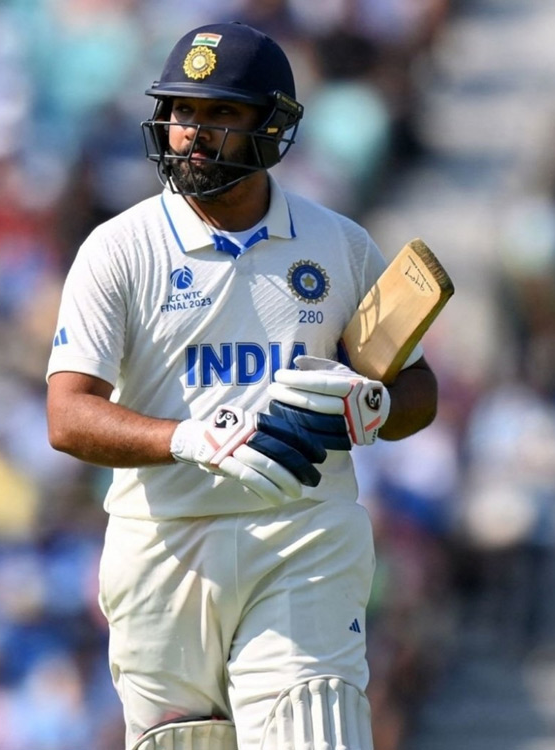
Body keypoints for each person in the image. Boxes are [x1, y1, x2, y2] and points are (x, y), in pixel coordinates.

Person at [45, 21, 438, 750]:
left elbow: (419, 388)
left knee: (316, 726)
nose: (192, 133)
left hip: (302, 532)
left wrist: (373, 406)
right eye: (182, 111)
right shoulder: (119, 249)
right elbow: (68, 416)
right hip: (165, 543)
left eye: (220, 112)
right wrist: (188, 439)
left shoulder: (339, 244)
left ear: (272, 125)